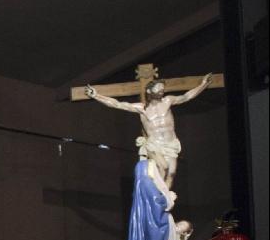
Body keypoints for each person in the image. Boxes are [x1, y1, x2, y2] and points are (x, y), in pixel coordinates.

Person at [85, 74, 213, 188]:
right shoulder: (141, 108)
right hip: (155, 144)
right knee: (163, 167)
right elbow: (117, 104)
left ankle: (164, 200)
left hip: (171, 143)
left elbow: (186, 96)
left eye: (162, 87)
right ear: (149, 90)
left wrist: (203, 84)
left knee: (172, 173)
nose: (161, 89)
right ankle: (156, 195)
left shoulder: (167, 101)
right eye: (158, 87)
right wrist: (96, 95)